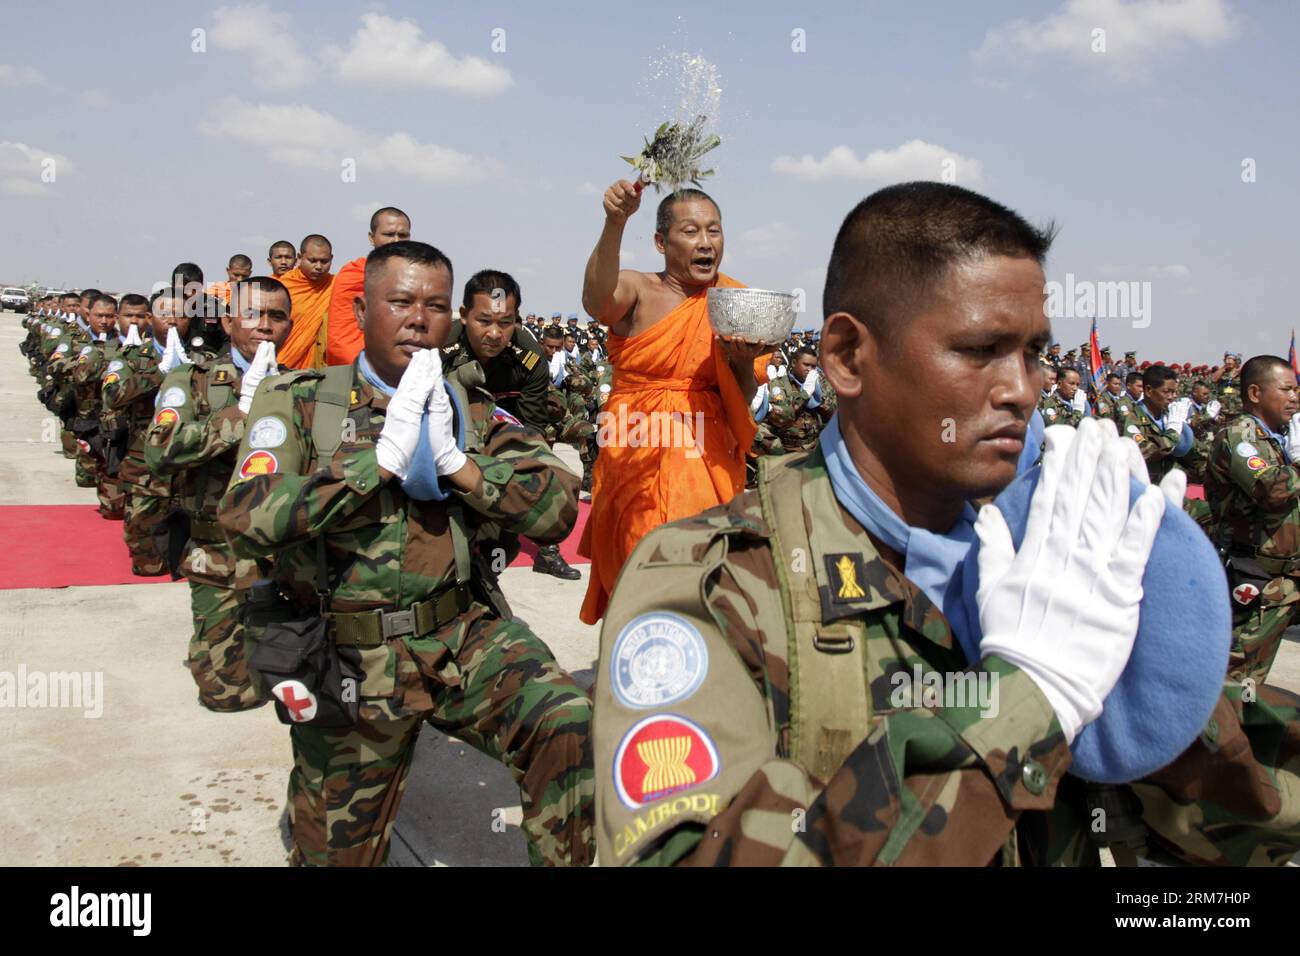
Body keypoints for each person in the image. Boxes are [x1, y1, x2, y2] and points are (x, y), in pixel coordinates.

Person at [593, 181, 1300, 868]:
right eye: (978, 350)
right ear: (845, 357)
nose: (1021, 390)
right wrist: (1027, 699)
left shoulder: (1050, 556)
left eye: (1032, 352)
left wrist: (1154, 671)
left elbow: (1248, 827)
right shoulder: (712, 585)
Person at [218, 241, 594, 867]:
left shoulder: (468, 409)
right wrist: (376, 464)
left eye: (436, 306)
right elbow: (247, 513)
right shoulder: (302, 401)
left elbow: (555, 506)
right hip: (348, 655)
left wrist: (461, 466)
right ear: (362, 313)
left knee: (566, 721)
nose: (419, 318)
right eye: (400, 302)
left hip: (456, 636)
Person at [577, 182, 764, 624]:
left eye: (714, 231)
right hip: (635, 449)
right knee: (639, 562)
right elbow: (596, 300)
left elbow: (745, 396)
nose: (705, 243)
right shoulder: (638, 290)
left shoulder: (732, 300)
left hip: (706, 455)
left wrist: (741, 364)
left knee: (701, 564)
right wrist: (615, 221)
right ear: (661, 242)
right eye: (691, 231)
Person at [145, 276, 294, 711]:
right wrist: (240, 414)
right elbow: (161, 449)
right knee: (228, 695)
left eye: (277, 316)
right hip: (218, 552)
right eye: (252, 314)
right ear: (228, 322)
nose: (264, 326)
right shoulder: (191, 380)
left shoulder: (304, 386)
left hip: (285, 556)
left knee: (303, 686)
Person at [442, 269, 582, 580]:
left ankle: (547, 552)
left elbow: (532, 425)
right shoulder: (442, 348)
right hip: (451, 430)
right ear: (464, 315)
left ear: (516, 320)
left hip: (506, 426)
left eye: (505, 323)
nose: (495, 333)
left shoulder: (528, 357)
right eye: (484, 321)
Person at [1204, 355, 1300, 684]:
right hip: (1256, 575)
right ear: (1256, 394)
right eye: (1286, 389)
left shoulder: (1279, 438)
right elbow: (1271, 489)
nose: (1295, 397)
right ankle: (1230, 727)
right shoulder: (1240, 438)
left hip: (1286, 575)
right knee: (1239, 673)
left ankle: (1254, 723)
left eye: (1296, 390)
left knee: (1254, 674)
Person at [102, 288, 190, 576]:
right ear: (151, 318)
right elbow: (112, 395)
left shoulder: (205, 359)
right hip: (144, 463)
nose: (173, 321)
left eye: (181, 314)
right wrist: (159, 373)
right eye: (166, 314)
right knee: (147, 563)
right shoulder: (131, 356)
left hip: (190, 463)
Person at [326, 206, 412, 366]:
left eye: (403, 235)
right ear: (371, 237)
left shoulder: (414, 275)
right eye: (388, 234)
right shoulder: (354, 273)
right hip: (358, 367)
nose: (396, 241)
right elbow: (341, 339)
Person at [1116, 364, 1195, 484]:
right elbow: (1145, 451)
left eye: (1174, 392)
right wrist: (1172, 432)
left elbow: (1193, 452)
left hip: (1167, 484)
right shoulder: (1132, 418)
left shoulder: (1167, 415)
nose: (1172, 397)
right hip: (1143, 489)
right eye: (1167, 392)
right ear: (1148, 390)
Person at [276, 234, 335, 369]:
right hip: (281, 365)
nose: (319, 266)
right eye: (312, 260)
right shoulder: (284, 286)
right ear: (299, 257)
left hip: (318, 368)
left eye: (324, 261)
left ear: (332, 259)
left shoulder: (336, 285)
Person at [763, 346, 836, 452]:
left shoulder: (821, 383)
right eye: (806, 365)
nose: (810, 370)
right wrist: (804, 394)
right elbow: (780, 417)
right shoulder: (778, 384)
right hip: (789, 449)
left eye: (813, 366)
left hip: (815, 446)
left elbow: (834, 414)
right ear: (793, 363)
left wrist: (820, 400)